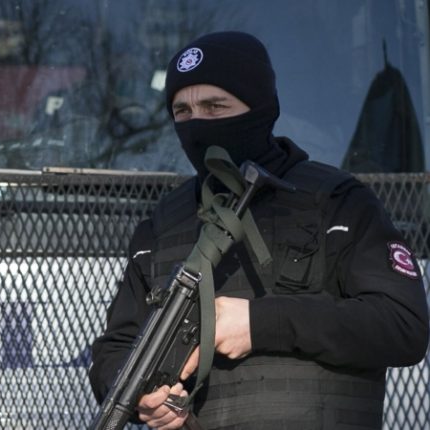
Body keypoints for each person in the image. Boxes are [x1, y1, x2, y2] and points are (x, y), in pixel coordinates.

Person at [88, 31, 429, 429]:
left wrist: (258, 324)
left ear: (260, 108)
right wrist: (144, 400)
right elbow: (115, 348)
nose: (198, 124)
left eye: (215, 106)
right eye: (183, 111)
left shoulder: (338, 202)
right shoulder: (163, 224)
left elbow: (402, 325)